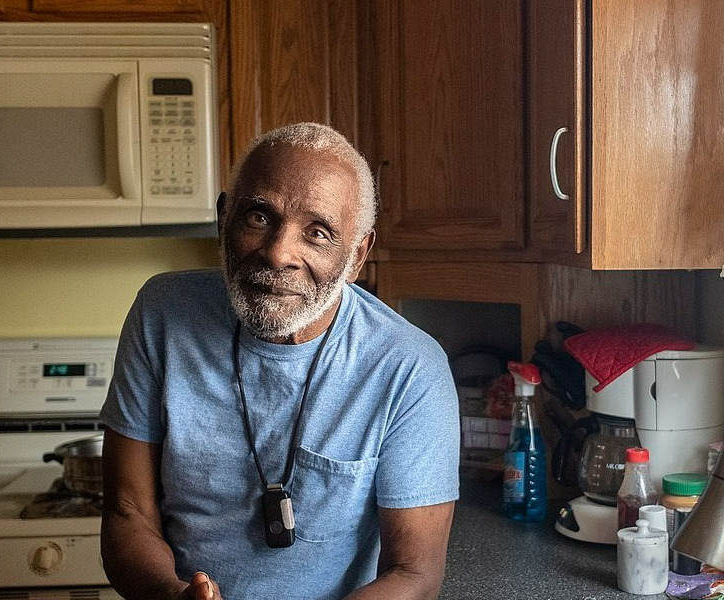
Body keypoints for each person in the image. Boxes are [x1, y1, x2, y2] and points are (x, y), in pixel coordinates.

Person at [99, 122, 460, 600]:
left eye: (318, 233)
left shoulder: (409, 367)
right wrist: (171, 594)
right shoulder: (162, 313)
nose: (278, 253)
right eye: (258, 217)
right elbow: (128, 511)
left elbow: (415, 575)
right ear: (224, 217)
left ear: (357, 257)